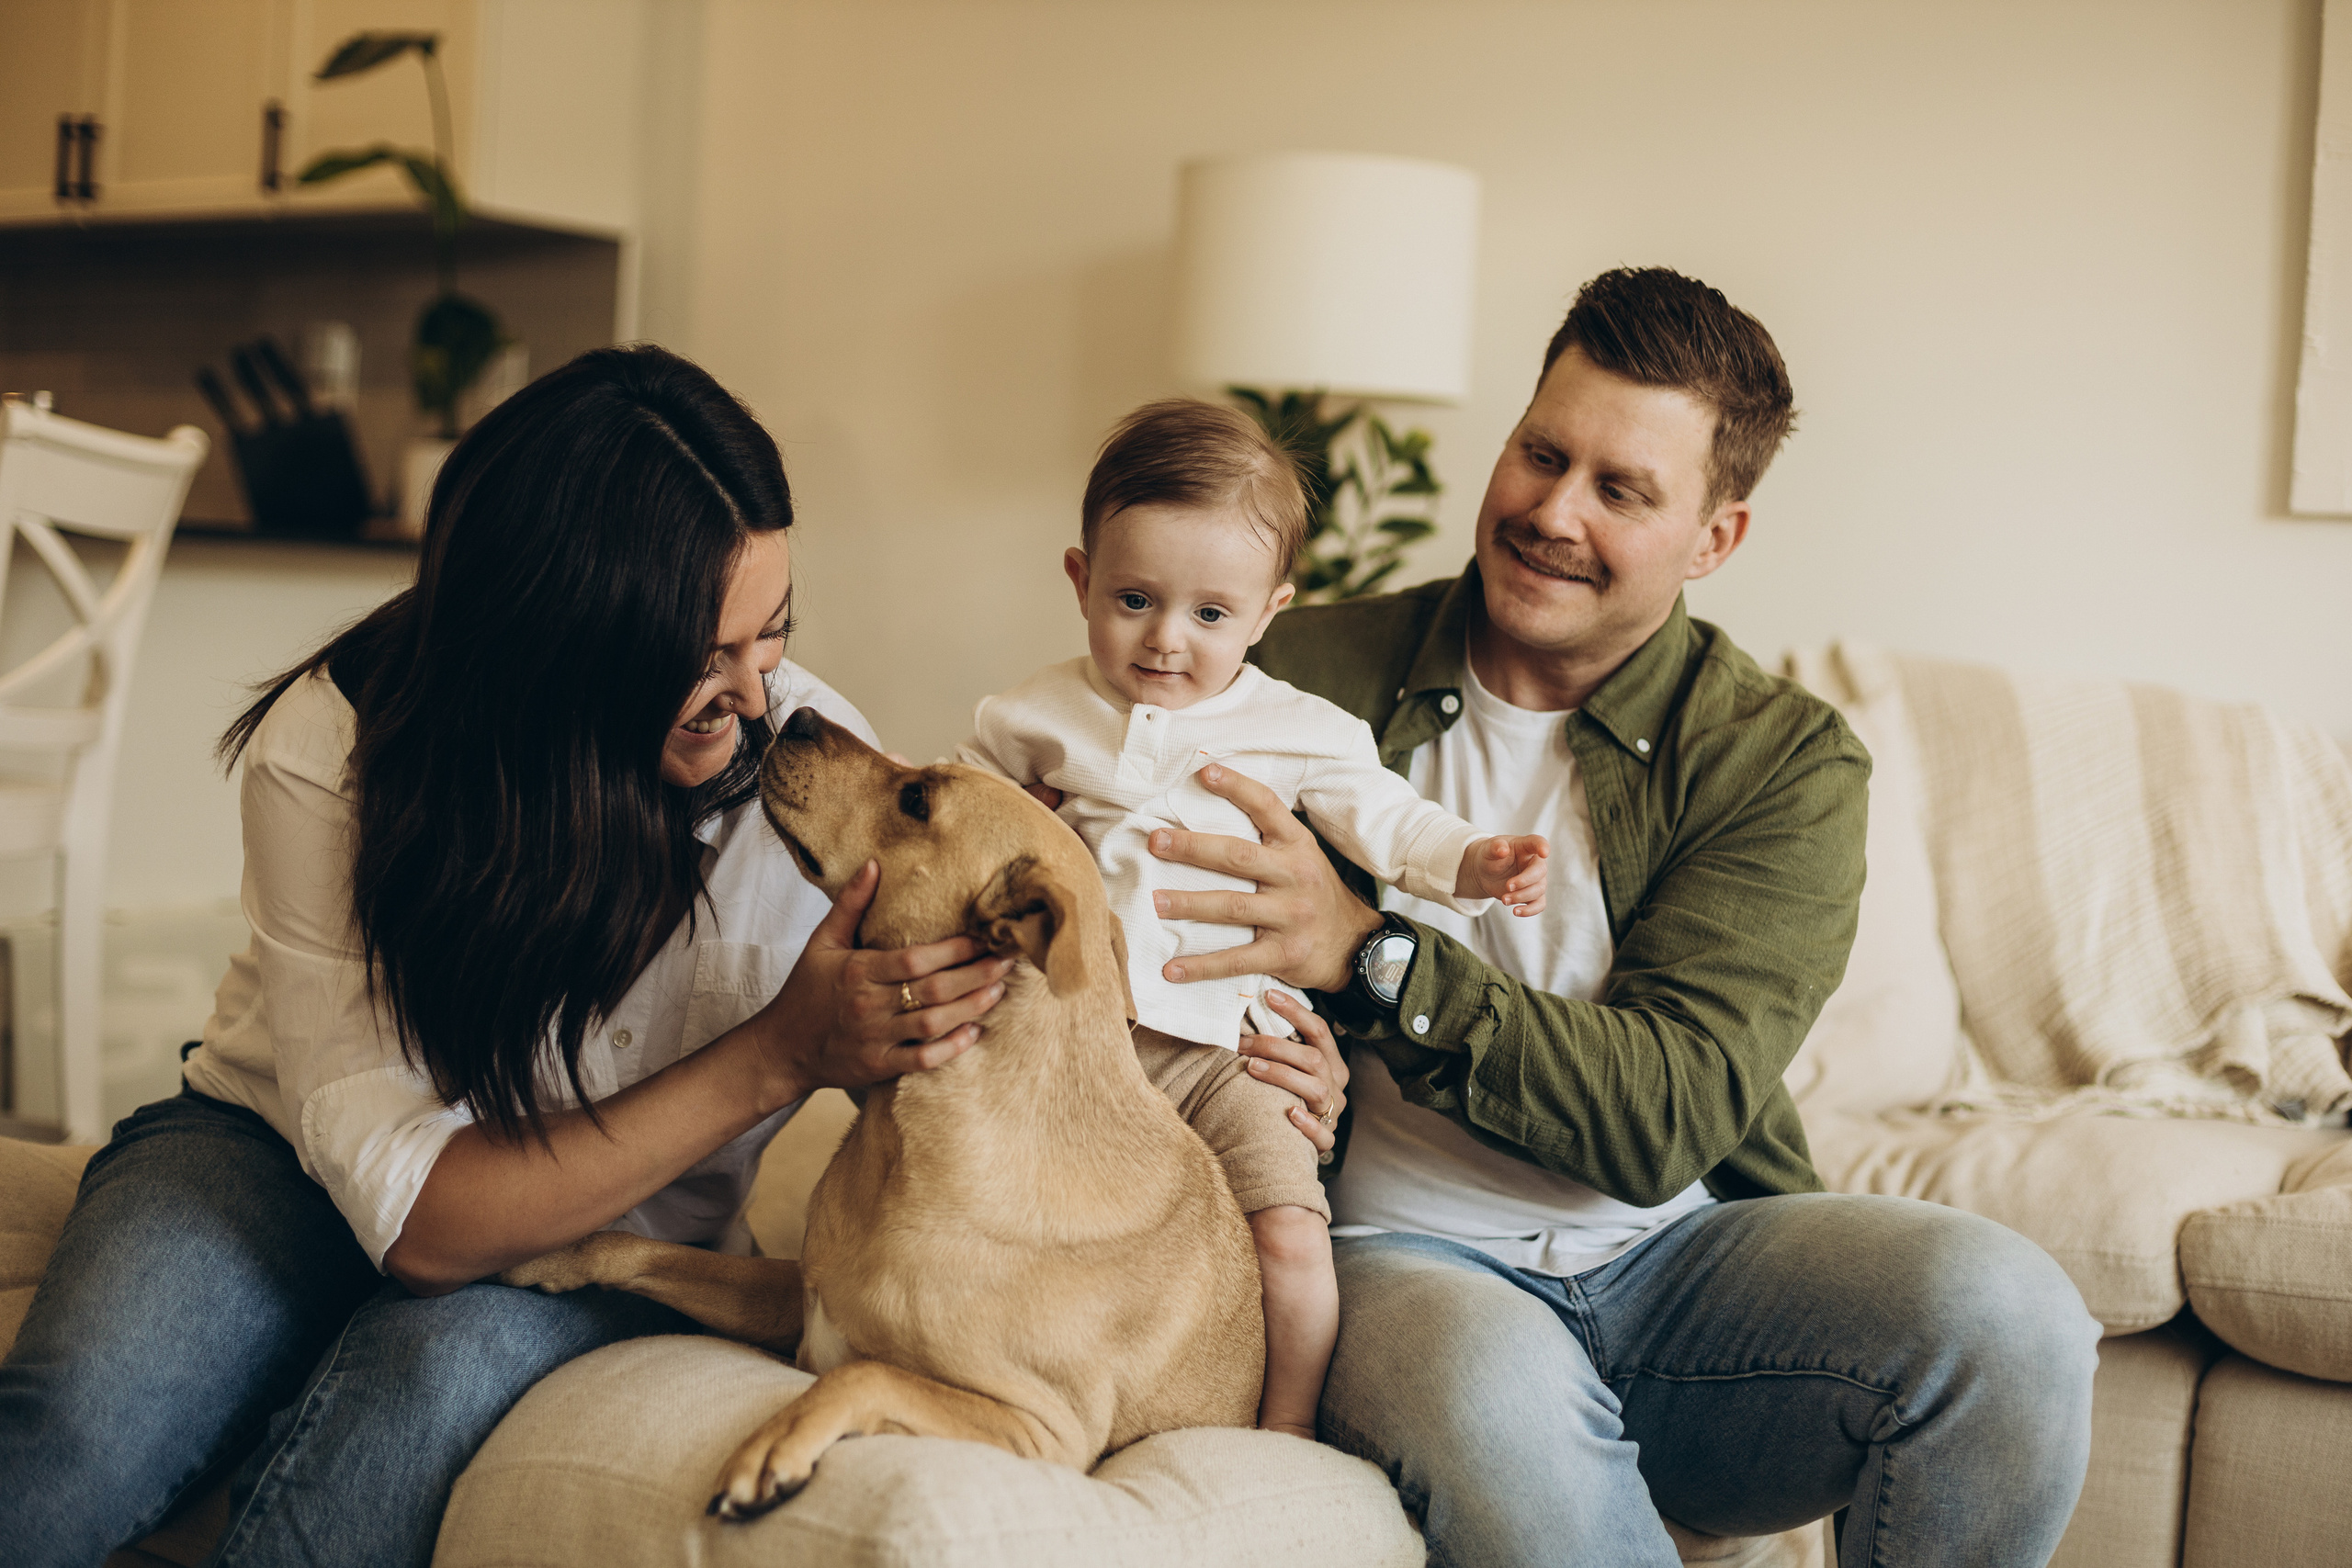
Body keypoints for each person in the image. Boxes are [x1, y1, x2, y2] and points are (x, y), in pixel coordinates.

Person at [1139, 267, 2102, 1565]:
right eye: (1542, 452)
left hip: (1683, 1267)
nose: (1550, 511)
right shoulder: (1295, 675)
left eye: (1621, 488)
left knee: (2017, 1313)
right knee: (1498, 1395)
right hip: (1399, 1258)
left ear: (1716, 538)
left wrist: (1368, 958)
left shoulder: (1781, 760)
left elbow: (1667, 1114)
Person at [0, 345, 1012, 1568]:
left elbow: (1010, 993)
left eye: (772, 633)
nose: (754, 695)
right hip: (278, 1155)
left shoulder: (811, 772)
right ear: (556, 642)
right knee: (74, 1436)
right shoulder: (333, 748)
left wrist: (1310, 960)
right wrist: (775, 1053)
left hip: (622, 1235)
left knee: (408, 1402)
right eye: (699, 653)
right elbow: (423, 1219)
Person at [955, 397, 1548, 1439]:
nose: (1167, 640)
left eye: (1210, 615)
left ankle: (1283, 1430)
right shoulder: (1031, 715)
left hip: (1236, 1049)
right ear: (1078, 579)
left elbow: (1386, 818)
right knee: (1014, 1214)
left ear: (1271, 612)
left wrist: (1471, 858)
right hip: (1072, 1041)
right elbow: (955, 816)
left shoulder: (1295, 728)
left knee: (1286, 1237)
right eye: (1133, 598)